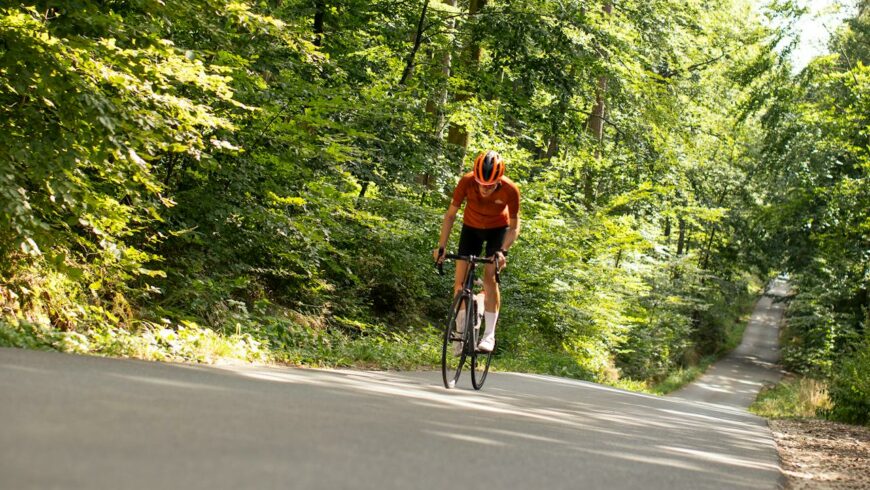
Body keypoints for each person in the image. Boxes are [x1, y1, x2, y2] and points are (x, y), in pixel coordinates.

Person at [433, 150, 521, 353]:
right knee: (459, 283)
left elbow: (515, 227)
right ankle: (460, 332)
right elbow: (450, 216)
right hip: (470, 229)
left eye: (490, 185)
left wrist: (502, 251)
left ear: (499, 180)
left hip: (497, 231)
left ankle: (489, 335)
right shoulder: (466, 181)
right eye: (481, 183)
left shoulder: (510, 190)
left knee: (490, 277)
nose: (484, 188)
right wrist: (441, 247)